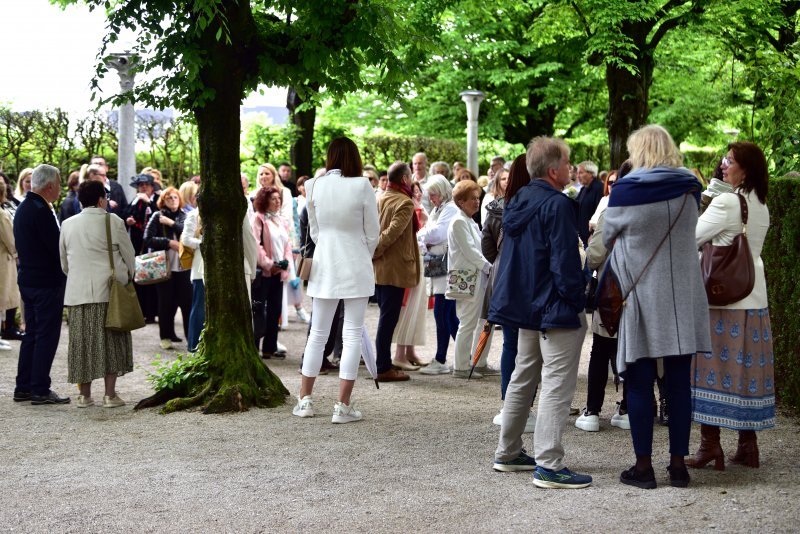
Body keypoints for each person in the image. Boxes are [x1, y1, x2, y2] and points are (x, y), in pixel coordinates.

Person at [602, 124, 711, 489]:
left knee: (639, 380)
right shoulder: (690, 188)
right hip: (682, 295)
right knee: (680, 384)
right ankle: (679, 466)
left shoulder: (627, 191)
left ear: (639, 150)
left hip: (639, 296)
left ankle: (644, 467)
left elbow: (606, 237)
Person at [489, 137, 591, 488]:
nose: (571, 168)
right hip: (554, 305)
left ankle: (508, 450)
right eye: (567, 162)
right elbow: (563, 262)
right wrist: (578, 299)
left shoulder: (518, 200)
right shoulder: (558, 205)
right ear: (553, 170)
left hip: (526, 304)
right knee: (556, 384)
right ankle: (548, 463)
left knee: (523, 374)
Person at [688, 142, 774, 470]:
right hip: (754, 299)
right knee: (746, 373)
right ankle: (748, 445)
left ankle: (710, 446)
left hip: (723, 301)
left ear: (746, 169)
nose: (724, 165)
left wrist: (709, 199)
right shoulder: (760, 203)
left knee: (712, 371)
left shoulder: (726, 201)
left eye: (731, 161)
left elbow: (692, 236)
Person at [294, 137, 380, 423]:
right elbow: (373, 233)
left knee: (318, 333)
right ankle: (342, 406)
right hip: (355, 261)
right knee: (352, 332)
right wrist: (359, 251)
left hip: (325, 262)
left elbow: (315, 232)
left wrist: (333, 247)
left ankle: (305, 399)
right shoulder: (362, 185)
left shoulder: (314, 185)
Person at [59, 180, 134, 408]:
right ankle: (110, 395)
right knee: (112, 343)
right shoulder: (113, 221)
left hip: (78, 293)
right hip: (109, 292)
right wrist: (128, 276)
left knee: (82, 344)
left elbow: (64, 262)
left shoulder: (68, 224)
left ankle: (84, 395)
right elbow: (129, 256)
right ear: (102, 199)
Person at [483, 154, 536, 431]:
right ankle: (525, 407)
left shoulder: (495, 208)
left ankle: (508, 405)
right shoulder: (541, 205)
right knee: (531, 348)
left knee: (510, 346)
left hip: (503, 278)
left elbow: (488, 249)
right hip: (529, 280)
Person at [575, 169, 630, 433]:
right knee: (633, 352)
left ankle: (593, 410)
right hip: (641, 294)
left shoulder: (613, 213)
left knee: (600, 350)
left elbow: (594, 256)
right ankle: (629, 408)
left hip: (612, 291)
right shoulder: (656, 210)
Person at [12, 164, 69, 405]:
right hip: (46, 282)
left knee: (32, 334)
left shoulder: (25, 207)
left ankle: (24, 386)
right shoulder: (40, 210)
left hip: (28, 279)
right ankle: (40, 389)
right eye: (58, 185)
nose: (60, 189)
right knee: (45, 335)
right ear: (49, 187)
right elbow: (55, 247)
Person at [372, 161, 419, 381]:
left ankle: (383, 363)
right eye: (409, 176)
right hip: (394, 269)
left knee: (385, 317)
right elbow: (391, 234)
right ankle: (383, 367)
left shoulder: (379, 197)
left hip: (380, 269)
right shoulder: (404, 203)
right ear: (404, 179)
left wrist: (372, 252)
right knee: (387, 320)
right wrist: (374, 250)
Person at [449, 180, 492, 379]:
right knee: (467, 322)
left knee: (482, 320)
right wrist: (490, 268)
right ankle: (461, 366)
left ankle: (478, 361)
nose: (477, 202)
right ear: (460, 202)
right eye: (472, 199)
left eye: (477, 198)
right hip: (468, 277)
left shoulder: (469, 221)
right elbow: (471, 251)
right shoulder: (459, 222)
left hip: (476, 277)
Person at [417, 175, 460, 376]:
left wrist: (424, 236)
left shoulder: (449, 209)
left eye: (433, 194)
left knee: (443, 313)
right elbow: (428, 232)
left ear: (441, 192)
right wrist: (426, 235)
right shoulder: (439, 209)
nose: (431, 198)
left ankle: (442, 358)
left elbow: (437, 234)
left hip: (444, 267)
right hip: (439, 267)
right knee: (448, 315)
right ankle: (464, 357)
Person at [143, 186, 191, 350]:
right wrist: (168, 243)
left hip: (184, 267)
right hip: (164, 266)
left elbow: (188, 234)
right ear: (163, 201)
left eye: (175, 197)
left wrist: (171, 223)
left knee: (186, 302)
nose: (173, 200)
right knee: (166, 302)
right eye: (169, 198)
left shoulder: (185, 216)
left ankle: (190, 337)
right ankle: (166, 336)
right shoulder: (157, 216)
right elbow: (147, 238)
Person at [252, 186, 293, 359]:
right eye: (273, 198)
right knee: (259, 309)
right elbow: (256, 245)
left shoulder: (281, 220)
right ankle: (254, 347)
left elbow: (287, 245)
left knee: (275, 310)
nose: (278, 201)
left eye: (279, 198)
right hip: (264, 272)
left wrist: (285, 263)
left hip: (278, 272)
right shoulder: (258, 219)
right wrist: (269, 264)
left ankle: (269, 347)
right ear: (264, 200)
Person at [125, 173, 159, 323]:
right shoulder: (135, 201)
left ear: (152, 187)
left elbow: (159, 216)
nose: (143, 188)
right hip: (136, 245)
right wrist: (129, 220)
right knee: (138, 279)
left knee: (150, 279)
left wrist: (149, 203)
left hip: (151, 245)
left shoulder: (156, 200)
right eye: (141, 185)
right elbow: (126, 214)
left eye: (146, 185)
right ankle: (141, 311)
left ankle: (152, 313)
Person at [0, 181, 19, 351]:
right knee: (1, 298)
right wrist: (16, 253)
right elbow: (10, 239)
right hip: (2, 261)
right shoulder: (1, 214)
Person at [575, 160, 602, 246]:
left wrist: (593, 234)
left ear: (591, 173)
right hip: (581, 235)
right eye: (577, 173)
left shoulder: (599, 189)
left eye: (581, 173)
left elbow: (601, 214)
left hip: (592, 238)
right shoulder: (583, 189)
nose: (577, 176)